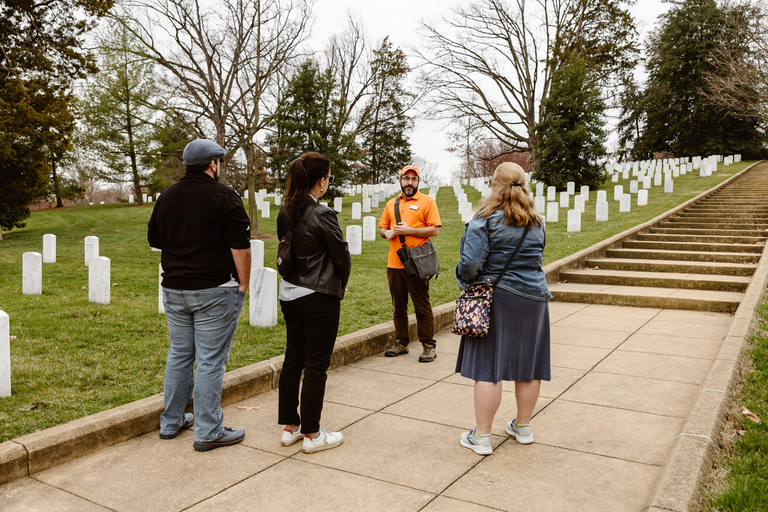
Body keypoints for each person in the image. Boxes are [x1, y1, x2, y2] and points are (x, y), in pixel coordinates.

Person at [147, 139, 251, 452]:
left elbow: (155, 240)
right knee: (210, 361)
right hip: (214, 291)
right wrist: (243, 284)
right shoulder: (225, 196)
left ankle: (172, 421)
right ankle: (208, 430)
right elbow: (240, 247)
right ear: (212, 164)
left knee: (179, 354)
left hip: (174, 289)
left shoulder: (168, 195)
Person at [454, 162, 551, 455]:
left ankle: (481, 437)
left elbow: (470, 265)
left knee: (489, 367)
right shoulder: (537, 222)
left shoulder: (484, 220)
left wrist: (462, 278)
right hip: (534, 299)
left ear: (495, 184)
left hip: (498, 299)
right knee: (529, 366)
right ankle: (523, 427)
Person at [276, 152, 351, 454]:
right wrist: (340, 284)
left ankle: (290, 427)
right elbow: (341, 256)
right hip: (317, 296)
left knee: (293, 359)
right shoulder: (322, 213)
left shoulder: (285, 211)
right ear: (321, 181)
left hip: (289, 294)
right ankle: (312, 434)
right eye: (329, 178)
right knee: (316, 366)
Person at [379, 165, 442, 362]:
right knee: (398, 308)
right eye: (406, 178)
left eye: (413, 179)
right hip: (394, 264)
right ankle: (401, 342)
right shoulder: (391, 204)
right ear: (400, 180)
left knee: (422, 306)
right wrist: (386, 233)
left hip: (417, 263)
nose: (409, 182)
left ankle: (428, 345)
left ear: (418, 182)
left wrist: (409, 230)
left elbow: (434, 230)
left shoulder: (427, 202)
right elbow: (382, 228)